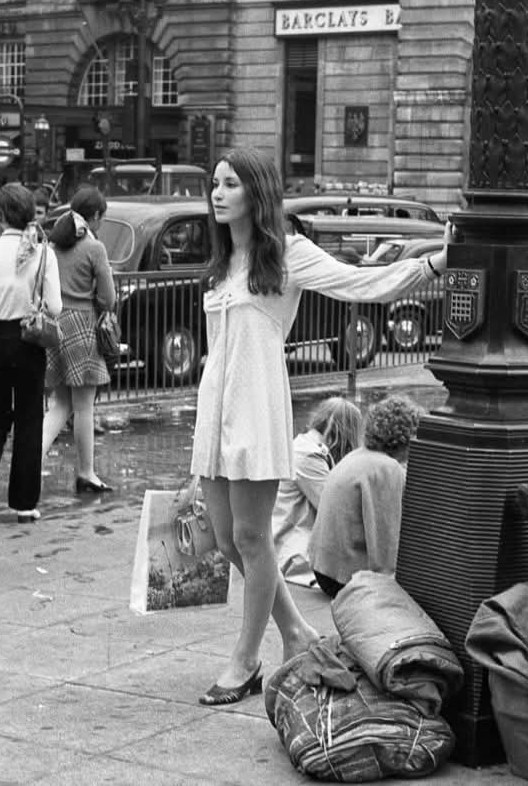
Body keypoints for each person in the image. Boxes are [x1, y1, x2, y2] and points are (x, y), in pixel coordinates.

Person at [191, 146, 452, 706]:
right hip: (215, 408)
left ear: (254, 193)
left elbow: (363, 284)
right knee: (225, 539)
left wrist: (430, 263)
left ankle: (245, 660)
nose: (217, 192)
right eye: (214, 182)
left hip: (256, 407)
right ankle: (298, 632)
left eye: (230, 183)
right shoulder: (222, 263)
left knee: (253, 538)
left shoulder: (288, 255)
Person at [0, 183, 62, 522]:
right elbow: (55, 305)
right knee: (28, 419)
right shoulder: (44, 254)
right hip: (28, 340)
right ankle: (24, 503)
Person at [308, 395, 421, 599]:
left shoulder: (359, 456)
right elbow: (385, 543)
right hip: (346, 579)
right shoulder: (387, 469)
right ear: (408, 438)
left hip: (324, 570)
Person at [41, 186, 115, 493]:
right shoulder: (93, 247)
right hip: (83, 325)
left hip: (55, 323)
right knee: (84, 406)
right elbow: (108, 298)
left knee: (59, 403)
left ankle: (32, 458)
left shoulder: (55, 243)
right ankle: (87, 473)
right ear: (95, 216)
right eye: (101, 218)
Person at [272, 396, 362, 587]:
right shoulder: (309, 456)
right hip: (294, 551)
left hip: (290, 541)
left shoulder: (306, 446)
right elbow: (333, 509)